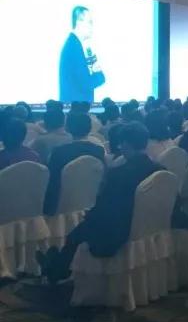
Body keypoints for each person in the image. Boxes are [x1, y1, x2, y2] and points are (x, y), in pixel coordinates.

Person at [37, 122, 163, 284]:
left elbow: (105, 210)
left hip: (120, 230)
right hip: (150, 226)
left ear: (126, 144)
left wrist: (89, 216)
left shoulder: (118, 175)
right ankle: (55, 265)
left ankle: (56, 271)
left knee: (75, 235)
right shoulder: (160, 170)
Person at [43, 113, 105, 215]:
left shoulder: (59, 152)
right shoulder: (98, 150)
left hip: (59, 207)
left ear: (67, 128)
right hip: (92, 204)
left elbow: (51, 182)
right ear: (89, 128)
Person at [59, 6, 106, 103]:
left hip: (76, 107)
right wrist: (98, 75)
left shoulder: (74, 44)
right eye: (90, 22)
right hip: (77, 108)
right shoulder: (74, 47)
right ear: (79, 22)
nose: (92, 26)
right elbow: (85, 84)